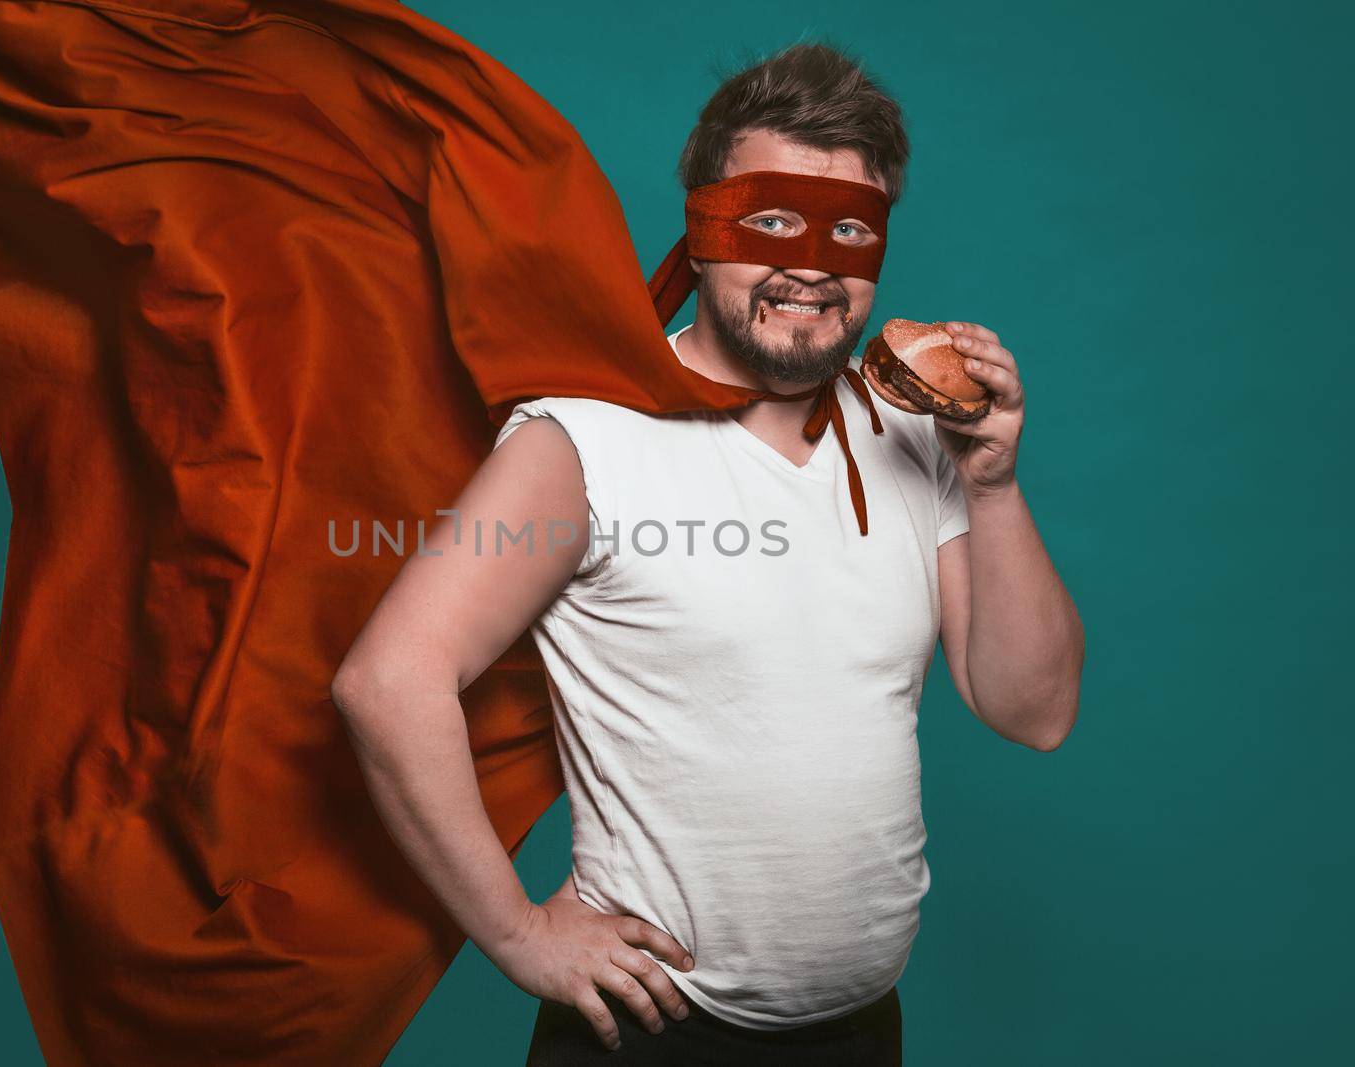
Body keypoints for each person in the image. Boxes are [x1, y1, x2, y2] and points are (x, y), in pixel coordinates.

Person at [332, 42, 1085, 1064]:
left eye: (850, 230)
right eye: (771, 218)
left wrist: (991, 484)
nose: (812, 262)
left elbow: (1030, 711)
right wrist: (515, 930)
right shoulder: (583, 439)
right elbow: (387, 678)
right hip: (648, 1035)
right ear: (702, 227)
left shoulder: (910, 433)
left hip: (862, 1032)